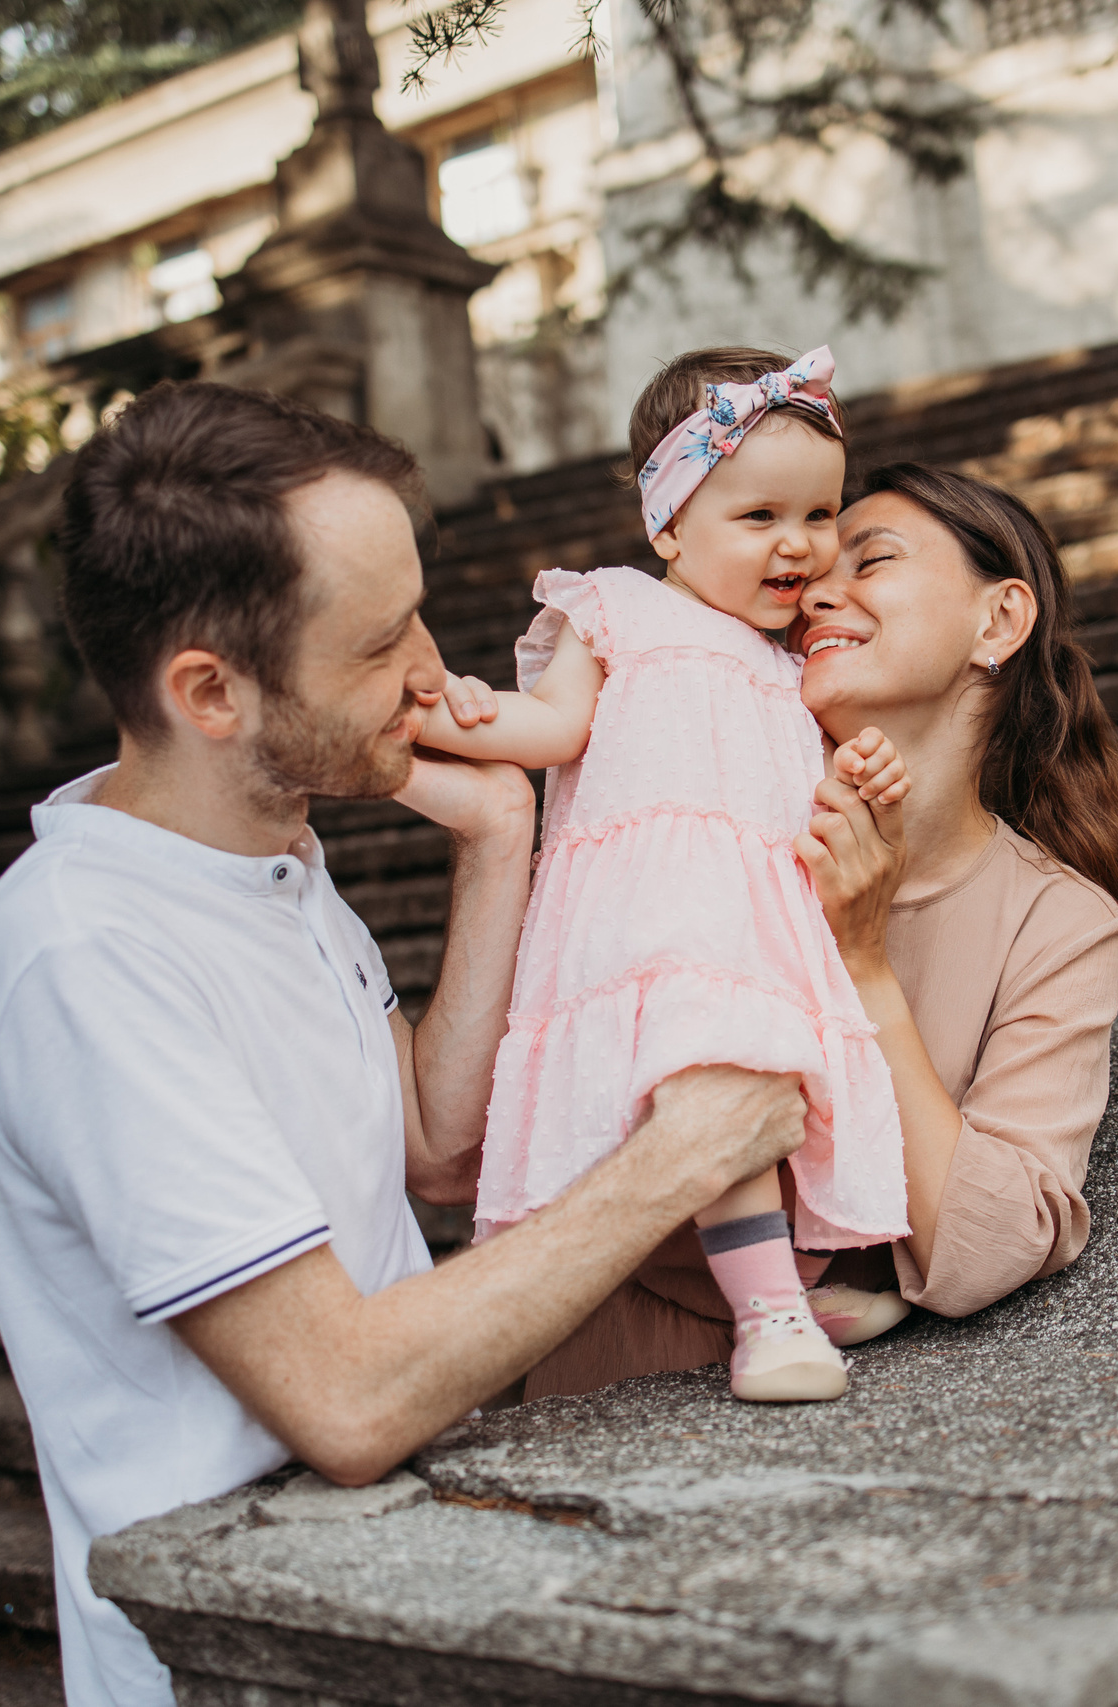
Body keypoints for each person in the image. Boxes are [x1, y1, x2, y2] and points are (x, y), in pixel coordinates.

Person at [0, 382, 810, 1707]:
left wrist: (499, 840)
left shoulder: (268, 853)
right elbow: (342, 1399)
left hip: (382, 1591)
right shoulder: (87, 952)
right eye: (372, 642)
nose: (427, 663)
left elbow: (431, 1144)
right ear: (209, 691)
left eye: (413, 607)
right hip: (235, 1649)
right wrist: (680, 1158)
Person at [520, 460, 1118, 1399]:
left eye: (873, 558)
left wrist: (863, 962)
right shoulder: (690, 798)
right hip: (604, 1359)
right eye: (816, 558)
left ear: (999, 622)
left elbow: (989, 1245)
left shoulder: (1061, 925)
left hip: (860, 1410)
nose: (817, 586)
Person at [417, 346, 912, 1404]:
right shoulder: (616, 613)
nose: (800, 544)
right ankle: (771, 1314)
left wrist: (863, 771)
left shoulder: (795, 668)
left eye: (820, 516)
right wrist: (452, 712)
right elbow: (551, 727)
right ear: (669, 526)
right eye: (759, 517)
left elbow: (807, 789)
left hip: (751, 922)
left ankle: (784, 1279)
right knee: (708, 1084)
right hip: (646, 913)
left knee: (764, 1108)